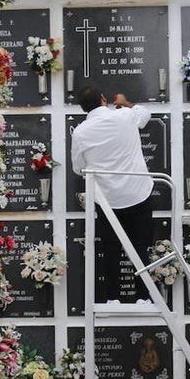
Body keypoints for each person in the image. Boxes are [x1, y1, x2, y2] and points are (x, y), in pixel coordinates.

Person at [70, 85, 154, 303]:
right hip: (138, 194)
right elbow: (145, 114)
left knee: (111, 249)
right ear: (103, 99)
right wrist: (125, 102)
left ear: (83, 109)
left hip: (108, 199)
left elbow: (78, 169)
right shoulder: (125, 116)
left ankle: (113, 297)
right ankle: (144, 298)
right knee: (140, 245)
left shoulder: (80, 132)